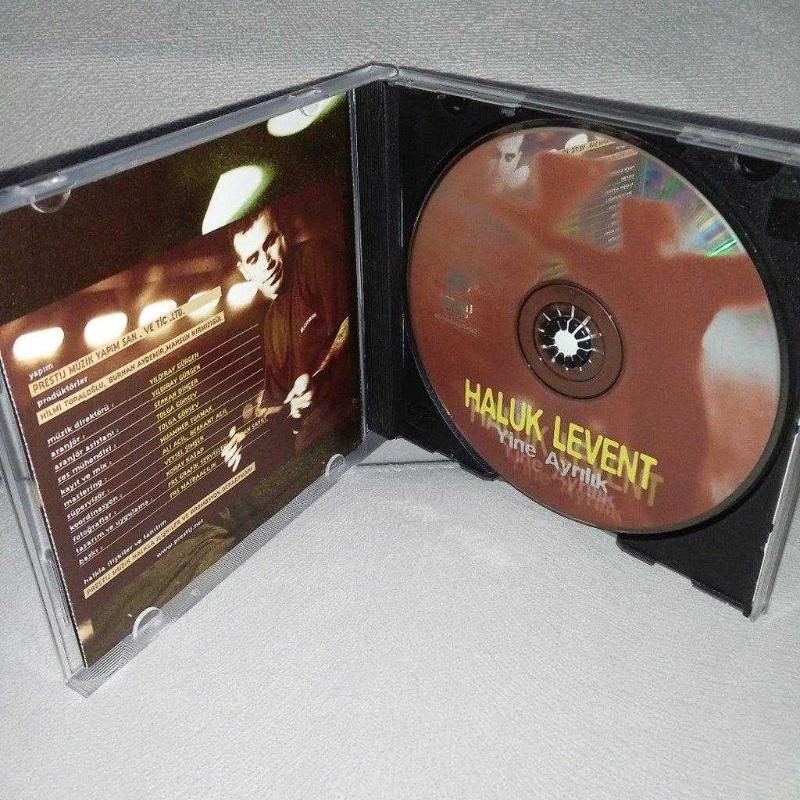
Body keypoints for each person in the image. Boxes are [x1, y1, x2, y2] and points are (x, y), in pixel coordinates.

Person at [222, 204, 356, 471]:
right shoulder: (271, 325)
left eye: (269, 243)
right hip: (313, 452)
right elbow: (279, 404)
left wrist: (317, 377)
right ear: (245, 271)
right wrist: (248, 435)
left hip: (349, 426)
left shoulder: (316, 259)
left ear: (282, 235)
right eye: (253, 259)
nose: (266, 263)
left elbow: (355, 320)